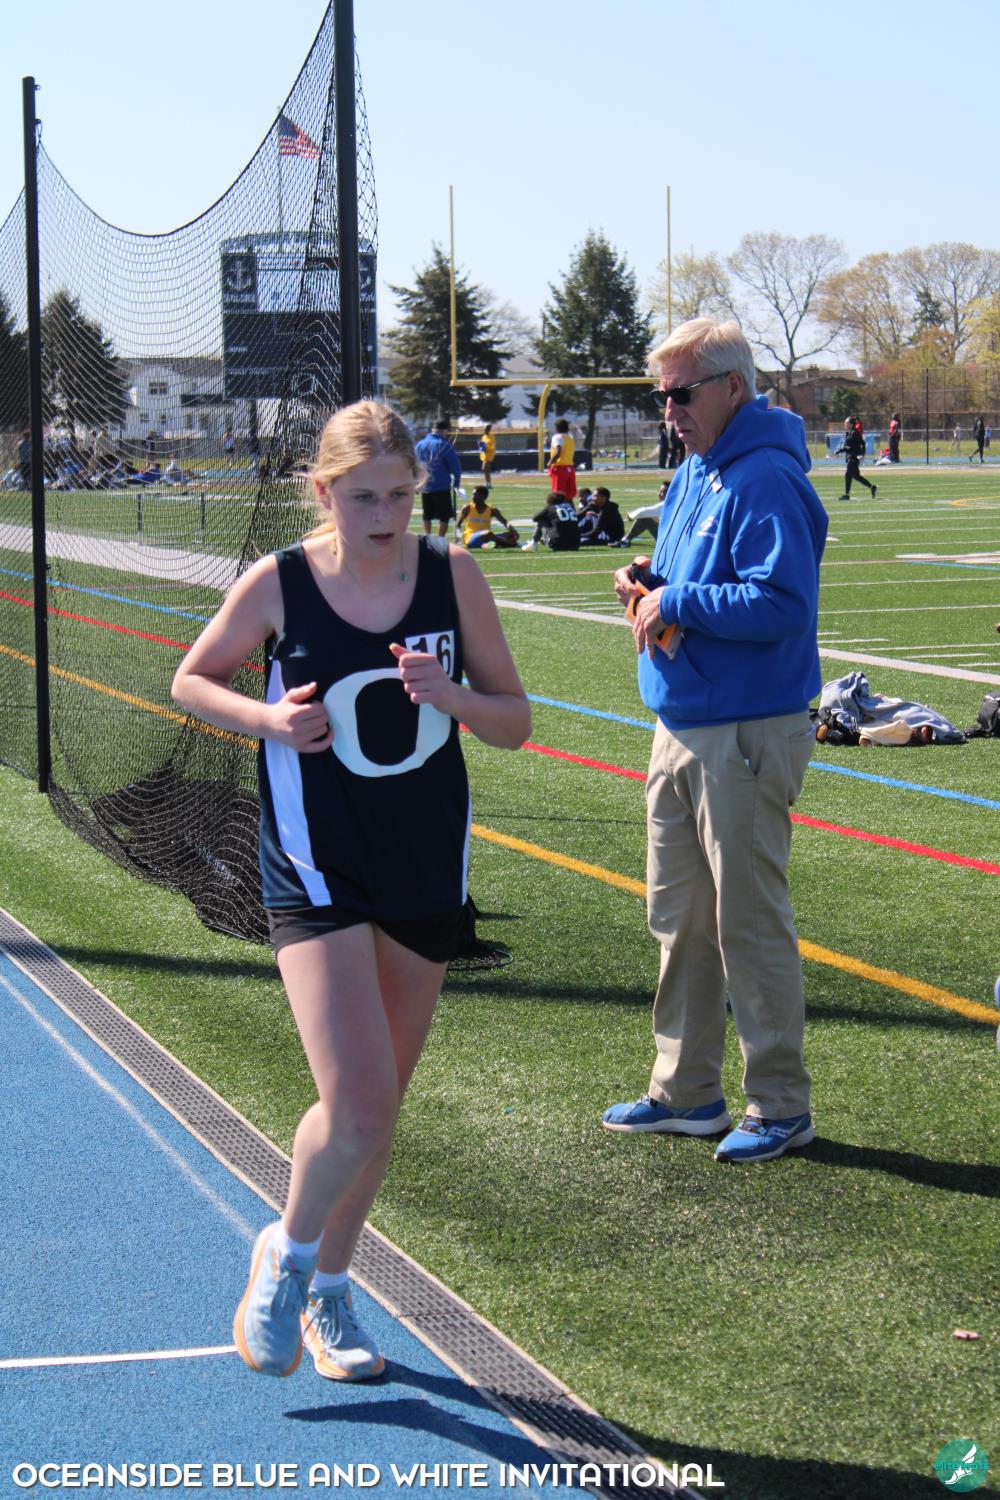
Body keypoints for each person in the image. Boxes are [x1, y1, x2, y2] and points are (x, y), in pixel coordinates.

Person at [171, 400, 529, 1382]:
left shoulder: (452, 575)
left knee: (376, 1110)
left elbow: (514, 722)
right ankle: (286, 1260)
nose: (385, 515)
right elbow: (192, 681)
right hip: (313, 865)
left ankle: (332, 1291)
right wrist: (268, 721)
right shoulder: (281, 581)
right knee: (360, 1104)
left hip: (423, 864)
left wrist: (453, 697)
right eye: (364, 497)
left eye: (402, 495)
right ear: (324, 492)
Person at [603, 317, 827, 1164]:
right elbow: (695, 582)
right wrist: (650, 586)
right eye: (661, 396)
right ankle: (686, 1090)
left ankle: (780, 1103)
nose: (669, 411)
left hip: (745, 729)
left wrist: (678, 603)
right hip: (682, 722)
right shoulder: (699, 469)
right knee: (680, 919)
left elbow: (783, 603)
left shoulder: (765, 476)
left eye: (681, 394)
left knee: (746, 922)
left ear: (733, 387)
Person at [415, 419, 462, 538]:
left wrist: (416, 482)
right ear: (444, 431)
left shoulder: (420, 444)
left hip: (425, 485)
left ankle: (427, 537)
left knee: (427, 514)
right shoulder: (444, 444)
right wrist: (456, 482)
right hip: (441, 485)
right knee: (444, 515)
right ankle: (440, 538)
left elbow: (414, 464)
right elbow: (455, 466)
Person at [835, 417, 876, 501]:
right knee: (856, 476)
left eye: (846, 423)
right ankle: (872, 487)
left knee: (848, 475)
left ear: (851, 424)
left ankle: (846, 495)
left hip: (853, 457)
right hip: (851, 456)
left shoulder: (854, 433)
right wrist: (840, 451)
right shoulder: (849, 433)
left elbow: (861, 444)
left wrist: (862, 454)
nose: (845, 424)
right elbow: (848, 447)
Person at [623, 481, 669, 545]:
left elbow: (643, 511)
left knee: (646, 517)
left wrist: (631, 516)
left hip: (669, 540)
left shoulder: (666, 504)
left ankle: (625, 541)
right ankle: (625, 541)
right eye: (660, 491)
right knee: (648, 517)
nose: (659, 494)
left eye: (663, 492)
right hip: (671, 537)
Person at [547, 418, 577, 501]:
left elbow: (558, 452)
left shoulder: (558, 437)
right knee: (569, 495)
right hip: (570, 468)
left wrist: (550, 462)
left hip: (560, 468)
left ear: (557, 427)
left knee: (558, 494)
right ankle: (570, 508)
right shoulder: (570, 437)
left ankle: (559, 509)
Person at [478, 424, 496, 489]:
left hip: (489, 455)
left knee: (484, 468)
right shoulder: (483, 437)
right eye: (484, 429)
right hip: (484, 455)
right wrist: (480, 446)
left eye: (485, 429)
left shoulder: (492, 436)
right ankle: (488, 483)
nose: (484, 430)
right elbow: (482, 445)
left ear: (488, 429)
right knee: (486, 470)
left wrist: (486, 448)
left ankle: (488, 483)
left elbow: (492, 446)